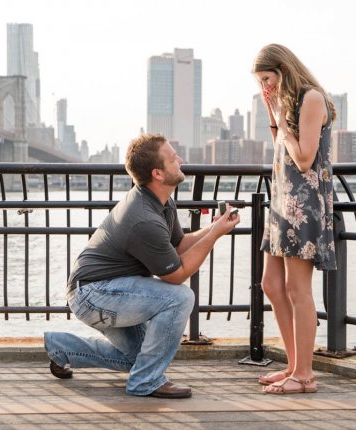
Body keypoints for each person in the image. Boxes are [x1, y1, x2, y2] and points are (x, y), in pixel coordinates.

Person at [44, 133, 239, 398]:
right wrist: (215, 235)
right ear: (157, 173)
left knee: (138, 359)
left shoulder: (162, 200)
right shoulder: (144, 218)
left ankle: (61, 347)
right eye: (173, 159)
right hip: (93, 295)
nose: (180, 160)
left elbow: (179, 246)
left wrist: (214, 227)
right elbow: (176, 276)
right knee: (180, 298)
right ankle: (146, 382)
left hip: (108, 291)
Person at [252, 44, 336, 394]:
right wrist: (274, 111)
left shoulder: (312, 99)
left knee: (298, 288)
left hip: (304, 204)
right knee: (272, 284)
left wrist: (280, 113)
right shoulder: (288, 104)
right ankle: (293, 364)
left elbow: (303, 159)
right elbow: (281, 144)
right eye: (261, 83)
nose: (266, 87)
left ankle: (305, 376)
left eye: (268, 79)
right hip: (282, 202)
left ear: (283, 69)